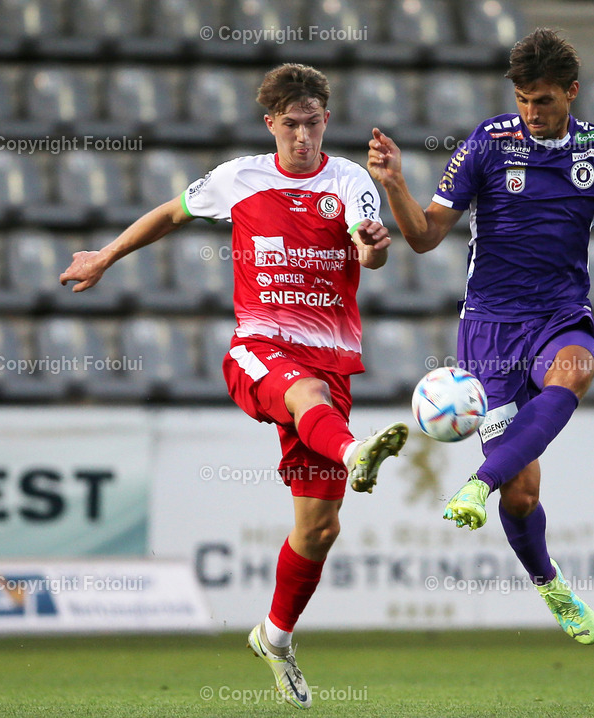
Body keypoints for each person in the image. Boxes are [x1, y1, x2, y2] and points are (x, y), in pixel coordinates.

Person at [367, 29, 594, 645]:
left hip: (559, 315)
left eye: (542, 100)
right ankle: (550, 582)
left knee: (575, 370)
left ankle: (475, 485)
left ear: (571, 92)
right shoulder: (489, 143)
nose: (531, 113)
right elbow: (425, 235)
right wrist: (394, 185)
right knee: (523, 494)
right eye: (522, 99)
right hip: (489, 331)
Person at [61, 63, 408, 708]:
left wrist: (377, 247)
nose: (302, 136)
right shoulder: (238, 178)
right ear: (270, 123)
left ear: (325, 120)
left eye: (313, 123)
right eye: (290, 125)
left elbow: (370, 249)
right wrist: (105, 256)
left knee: (320, 528)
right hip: (260, 350)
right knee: (309, 397)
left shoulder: (352, 180)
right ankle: (357, 452)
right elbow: (170, 214)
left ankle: (274, 637)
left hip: (331, 355)